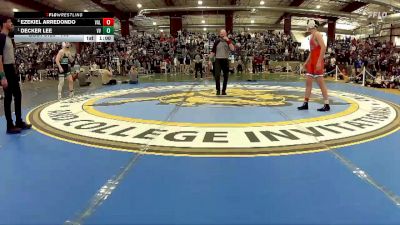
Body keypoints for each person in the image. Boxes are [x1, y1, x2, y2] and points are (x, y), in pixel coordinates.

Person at [0, 16, 31, 134]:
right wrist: (2, 76)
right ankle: (10, 126)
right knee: (8, 98)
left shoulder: (9, 38)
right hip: (5, 69)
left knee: (18, 95)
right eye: (9, 22)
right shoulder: (1, 37)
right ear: (4, 24)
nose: (11, 23)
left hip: (11, 69)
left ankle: (19, 121)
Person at [298, 20, 330, 112]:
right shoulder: (311, 36)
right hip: (312, 62)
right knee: (308, 83)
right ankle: (305, 103)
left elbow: (323, 47)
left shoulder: (317, 34)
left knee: (321, 83)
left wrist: (319, 61)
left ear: (311, 25)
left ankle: (327, 104)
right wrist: (306, 62)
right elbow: (312, 52)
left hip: (317, 61)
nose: (307, 26)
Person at [209, 29, 235, 95]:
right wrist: (210, 60)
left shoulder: (229, 41)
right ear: (219, 34)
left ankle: (223, 90)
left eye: (224, 33)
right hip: (218, 60)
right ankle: (218, 90)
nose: (222, 34)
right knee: (217, 75)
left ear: (226, 34)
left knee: (226, 76)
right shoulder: (216, 41)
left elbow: (233, 49)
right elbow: (213, 52)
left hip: (225, 60)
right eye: (221, 33)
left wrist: (228, 41)